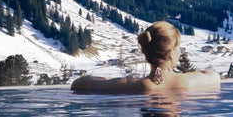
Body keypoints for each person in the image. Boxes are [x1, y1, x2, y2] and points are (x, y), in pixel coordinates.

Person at [71, 21, 220, 94]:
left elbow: (78, 83)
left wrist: (107, 81)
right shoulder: (189, 82)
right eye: (178, 47)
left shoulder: (137, 86)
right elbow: (214, 76)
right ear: (172, 51)